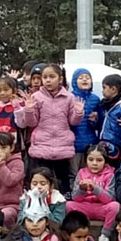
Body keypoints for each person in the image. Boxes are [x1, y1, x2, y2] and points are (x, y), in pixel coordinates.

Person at [20, 64, 85, 194]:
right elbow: (31, 122)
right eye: (45, 77)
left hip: (62, 146)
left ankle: (62, 205)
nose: (48, 80)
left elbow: (73, 121)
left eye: (52, 76)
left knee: (62, 180)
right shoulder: (37, 97)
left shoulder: (69, 97)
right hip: (42, 146)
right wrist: (28, 109)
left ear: (60, 79)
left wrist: (78, 112)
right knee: (42, 180)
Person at [67, 144, 120, 241]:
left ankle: (104, 236)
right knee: (69, 205)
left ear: (105, 161)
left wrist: (95, 189)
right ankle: (76, 230)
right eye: (91, 159)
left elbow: (109, 198)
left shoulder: (109, 174)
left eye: (99, 160)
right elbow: (75, 198)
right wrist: (82, 189)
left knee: (115, 206)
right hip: (85, 207)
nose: (94, 163)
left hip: (101, 207)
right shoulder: (82, 173)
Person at [70, 69, 103, 184]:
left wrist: (95, 119)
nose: (85, 79)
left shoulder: (95, 99)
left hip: (90, 142)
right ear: (74, 81)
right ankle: (73, 194)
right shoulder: (69, 98)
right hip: (73, 143)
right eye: (81, 77)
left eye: (87, 77)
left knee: (89, 172)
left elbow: (100, 123)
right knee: (74, 173)